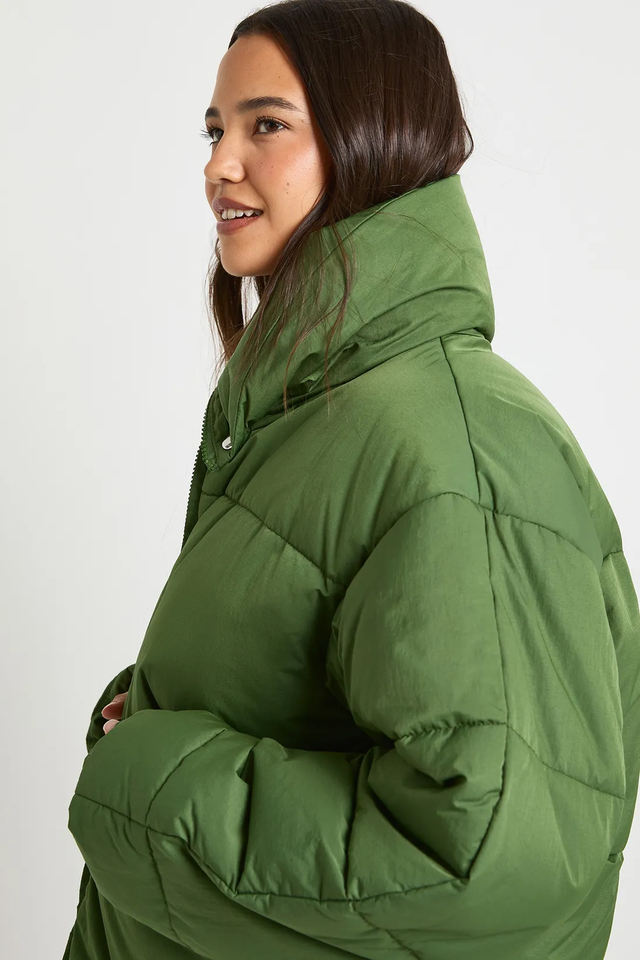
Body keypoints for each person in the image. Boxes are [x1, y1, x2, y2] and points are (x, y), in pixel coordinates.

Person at [62, 1, 640, 958]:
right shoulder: (312, 414)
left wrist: (150, 782)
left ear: (374, 137)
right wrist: (154, 712)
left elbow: (485, 855)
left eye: (266, 125)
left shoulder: (450, 446)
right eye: (214, 131)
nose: (218, 165)